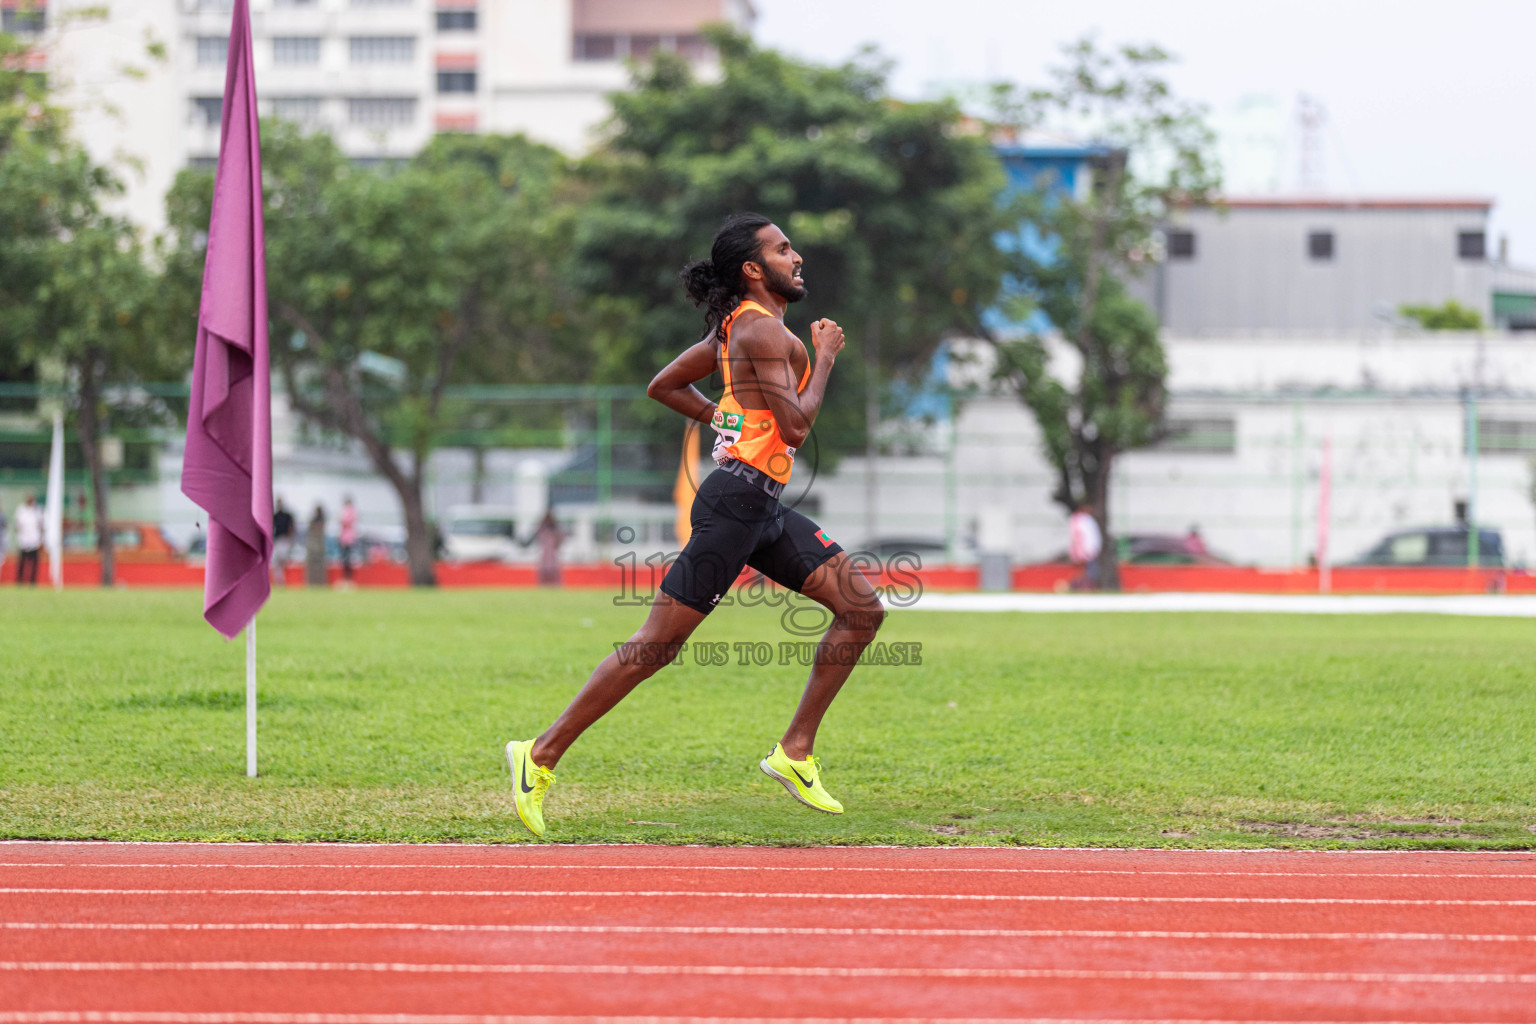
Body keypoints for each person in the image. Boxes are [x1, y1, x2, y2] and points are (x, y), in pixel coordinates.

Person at [505, 213, 884, 837]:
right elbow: (795, 429)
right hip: (735, 505)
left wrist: (724, 420)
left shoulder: (739, 329)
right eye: (783, 249)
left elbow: (665, 385)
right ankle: (538, 754)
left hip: (761, 506)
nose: (798, 257)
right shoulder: (764, 334)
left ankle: (794, 752)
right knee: (657, 644)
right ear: (753, 269)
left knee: (862, 609)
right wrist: (824, 358)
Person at [1068, 502, 1102, 592]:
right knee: (1084, 570)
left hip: (1089, 550)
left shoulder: (1086, 519)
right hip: (1084, 550)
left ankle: (1085, 587)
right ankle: (1080, 587)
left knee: (1090, 571)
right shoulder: (1080, 520)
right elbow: (1080, 536)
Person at [13, 493, 43, 586]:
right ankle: (19, 581)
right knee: (22, 563)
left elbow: (42, 526)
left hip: (34, 540)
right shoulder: (21, 510)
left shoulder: (38, 511)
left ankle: (32, 582)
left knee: (34, 563)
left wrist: (41, 540)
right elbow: (17, 525)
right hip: (24, 541)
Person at [534, 509, 563, 587]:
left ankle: (545, 587)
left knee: (548, 572)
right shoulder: (552, 530)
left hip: (547, 553)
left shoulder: (544, 530)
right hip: (550, 553)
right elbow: (559, 541)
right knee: (550, 572)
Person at [271, 498, 295, 585]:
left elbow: (291, 527)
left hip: (285, 539)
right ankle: (279, 580)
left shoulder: (287, 516)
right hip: (277, 539)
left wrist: (290, 538)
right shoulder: (275, 516)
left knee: (283, 561)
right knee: (277, 561)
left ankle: (283, 579)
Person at [305, 505, 327, 587]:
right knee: (313, 565)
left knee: (319, 565)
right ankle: (312, 582)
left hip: (317, 543)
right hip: (314, 543)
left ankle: (319, 582)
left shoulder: (320, 520)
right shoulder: (315, 520)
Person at [338, 496, 358, 583]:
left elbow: (345, 522)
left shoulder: (350, 511)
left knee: (347, 559)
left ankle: (348, 579)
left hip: (348, 538)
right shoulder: (349, 511)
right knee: (345, 559)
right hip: (345, 538)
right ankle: (346, 579)